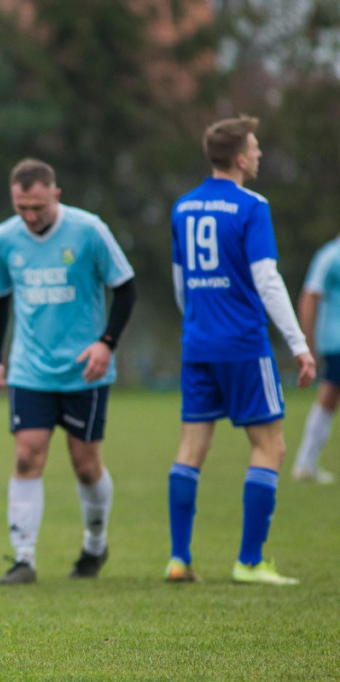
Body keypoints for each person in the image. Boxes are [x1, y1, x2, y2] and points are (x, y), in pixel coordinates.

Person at [166, 115, 316, 585]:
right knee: (269, 445)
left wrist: (197, 324)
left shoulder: (183, 207)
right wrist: (298, 342)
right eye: (254, 147)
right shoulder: (252, 206)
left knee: (190, 448)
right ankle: (249, 561)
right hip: (244, 345)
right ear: (237, 158)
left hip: (198, 344)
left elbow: (180, 283)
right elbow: (267, 279)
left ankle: (178, 559)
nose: (259, 154)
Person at [0, 158, 136, 585]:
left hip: (84, 370)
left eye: (38, 207)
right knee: (26, 454)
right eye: (22, 208)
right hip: (30, 369)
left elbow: (125, 289)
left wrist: (106, 344)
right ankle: (24, 558)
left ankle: (94, 543)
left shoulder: (89, 231)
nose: (30, 217)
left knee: (85, 465)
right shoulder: (4, 238)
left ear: (56, 195)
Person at [291, 237, 340, 484]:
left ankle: (305, 463)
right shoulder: (330, 255)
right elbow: (310, 297)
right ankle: (305, 463)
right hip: (336, 339)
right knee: (328, 397)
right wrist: (305, 343)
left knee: (329, 399)